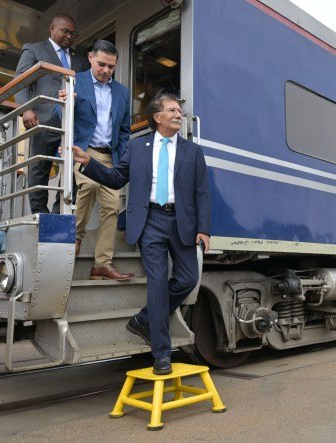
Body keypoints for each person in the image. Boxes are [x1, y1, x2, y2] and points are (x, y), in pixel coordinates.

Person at [67, 92, 210, 375]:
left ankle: (144, 319)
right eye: (172, 110)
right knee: (157, 284)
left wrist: (203, 228)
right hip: (150, 221)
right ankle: (161, 354)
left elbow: (201, 193)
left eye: (179, 111)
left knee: (187, 279)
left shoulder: (192, 151)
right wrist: (88, 164)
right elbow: (117, 178)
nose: (179, 115)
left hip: (182, 222)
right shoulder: (137, 147)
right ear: (157, 116)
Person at [56, 40, 133, 281]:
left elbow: (124, 129)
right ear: (90, 58)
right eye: (101, 64)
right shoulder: (74, 80)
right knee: (88, 185)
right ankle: (76, 236)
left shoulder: (122, 92)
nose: (106, 71)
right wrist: (64, 102)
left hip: (110, 156)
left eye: (111, 66)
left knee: (111, 207)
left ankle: (102, 264)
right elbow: (60, 115)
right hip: (82, 149)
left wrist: (123, 155)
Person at [15, 13, 89, 214]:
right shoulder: (34, 49)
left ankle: (59, 214)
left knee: (73, 170)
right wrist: (25, 109)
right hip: (44, 120)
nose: (69, 37)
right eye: (65, 31)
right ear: (52, 28)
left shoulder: (80, 60)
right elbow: (21, 80)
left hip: (72, 124)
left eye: (73, 34)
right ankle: (41, 216)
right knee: (40, 169)